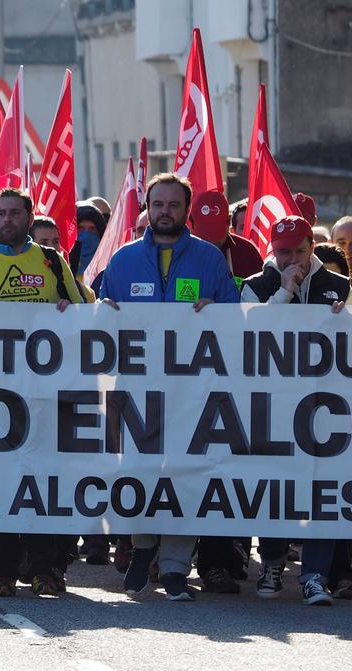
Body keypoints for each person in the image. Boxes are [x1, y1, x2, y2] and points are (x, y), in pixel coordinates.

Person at [97, 173, 239, 602]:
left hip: (192, 394)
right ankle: (142, 549)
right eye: (157, 204)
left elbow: (235, 318)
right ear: (148, 207)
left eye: (173, 205)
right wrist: (102, 310)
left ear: (186, 209)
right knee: (139, 473)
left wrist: (215, 311)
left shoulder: (210, 259)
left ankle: (176, 567)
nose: (165, 212)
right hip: (137, 392)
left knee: (185, 476)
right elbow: (105, 320)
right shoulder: (122, 260)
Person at [0, 188, 84, 597]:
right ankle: (2, 571)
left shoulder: (50, 261)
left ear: (28, 217)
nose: (7, 220)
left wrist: (67, 310)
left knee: (40, 485)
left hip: (42, 397)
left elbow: (80, 313)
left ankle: (44, 569)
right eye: (0, 213)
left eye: (14, 213)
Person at [240, 216, 351, 605]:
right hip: (274, 405)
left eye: (299, 251)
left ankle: (315, 575)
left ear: (312, 247)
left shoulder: (339, 287)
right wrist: (285, 292)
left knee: (324, 491)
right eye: (283, 251)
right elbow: (250, 336)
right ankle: (271, 562)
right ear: (272, 248)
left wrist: (348, 322)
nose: (292, 260)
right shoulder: (256, 285)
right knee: (276, 488)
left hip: (325, 407)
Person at [189, 190, 263, 286]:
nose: (210, 243)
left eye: (215, 235)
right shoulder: (179, 254)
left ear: (229, 222)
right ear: (191, 225)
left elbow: (264, 296)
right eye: (205, 238)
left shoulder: (247, 253)